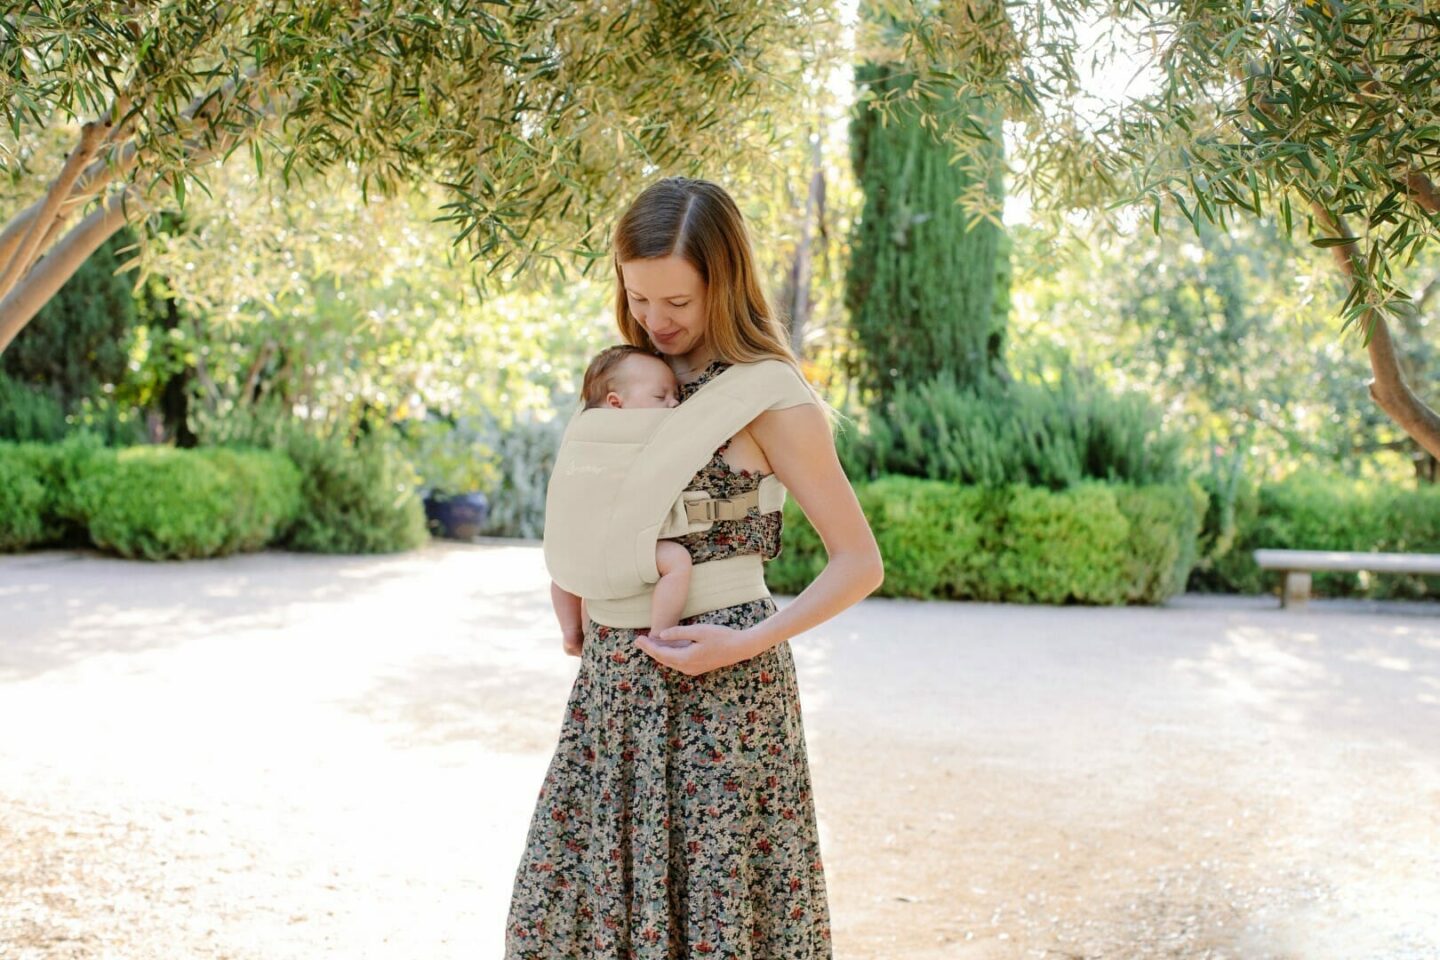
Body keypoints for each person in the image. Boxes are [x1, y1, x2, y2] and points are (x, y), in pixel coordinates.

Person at [505, 176, 884, 958]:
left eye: (677, 300)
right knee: (560, 918)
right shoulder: (630, 384)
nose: (656, 320)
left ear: (725, 281)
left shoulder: (771, 398)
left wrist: (744, 644)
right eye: (638, 297)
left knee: (718, 917)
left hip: (726, 689)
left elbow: (859, 563)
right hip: (615, 684)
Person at [549, 345, 693, 657]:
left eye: (676, 396)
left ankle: (571, 632)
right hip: (620, 547)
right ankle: (662, 635)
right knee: (677, 561)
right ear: (616, 403)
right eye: (660, 396)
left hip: (579, 546)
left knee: (562, 572)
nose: (674, 404)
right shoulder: (641, 437)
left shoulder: (578, 438)